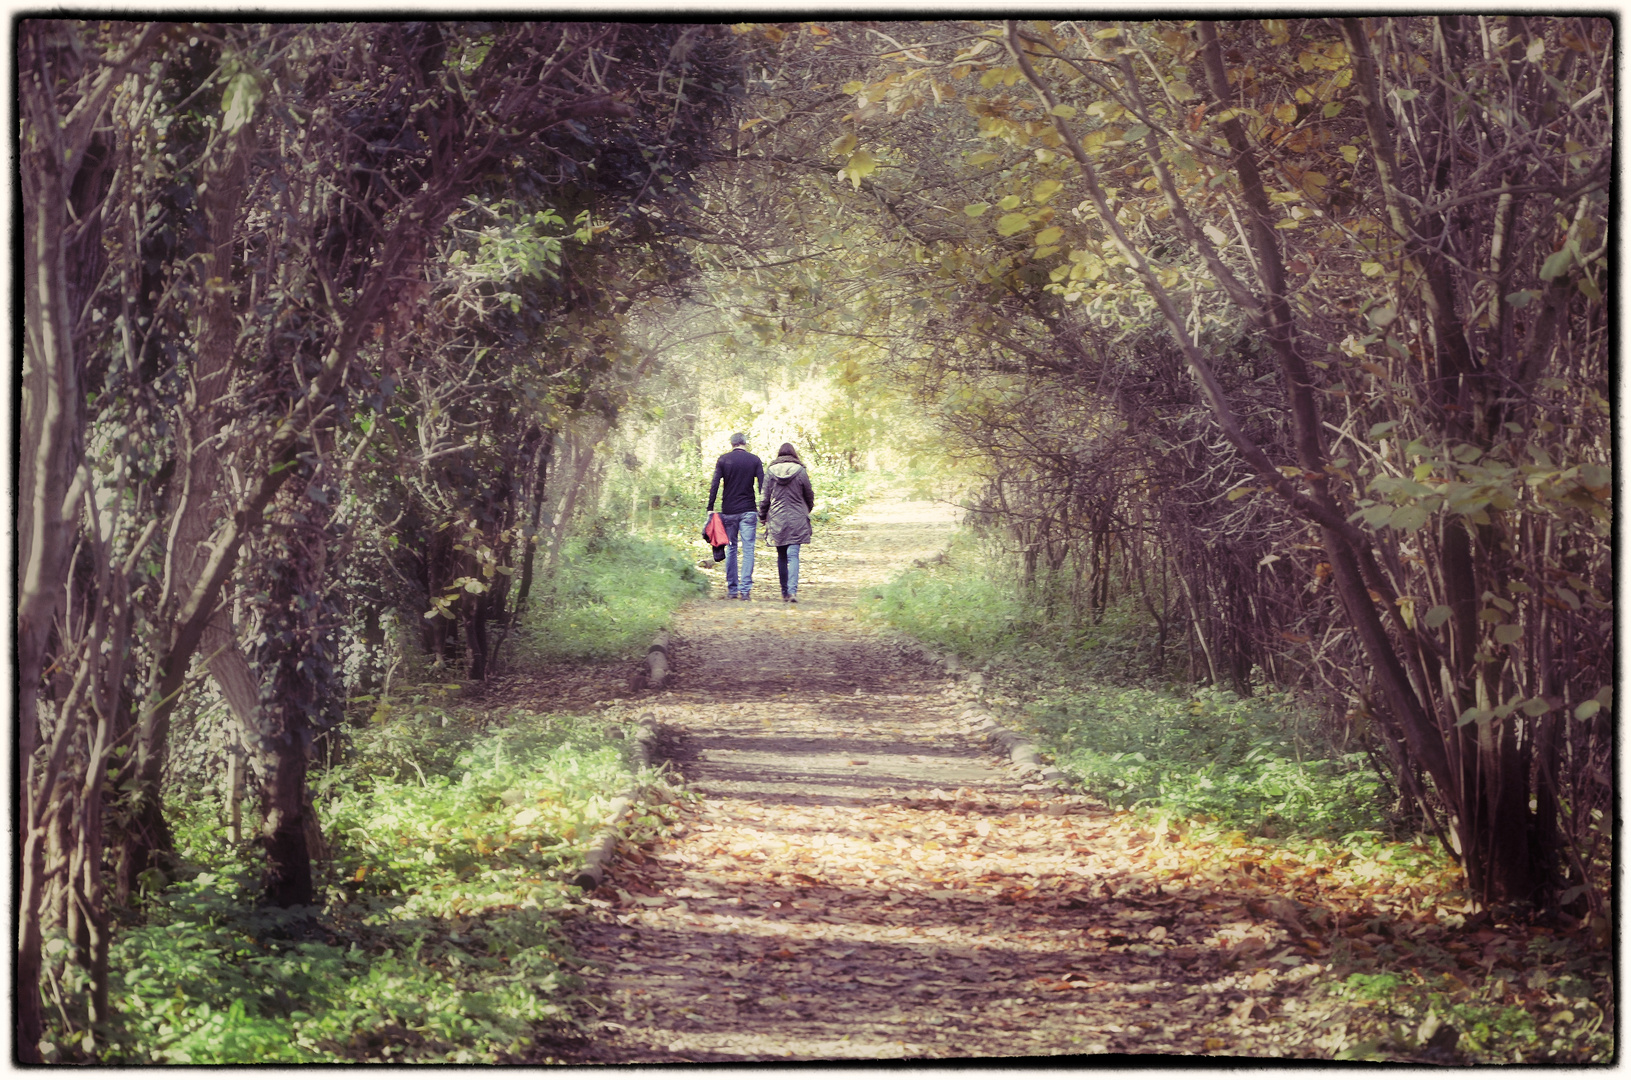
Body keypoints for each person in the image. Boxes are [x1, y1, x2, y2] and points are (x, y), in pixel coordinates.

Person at [706, 432, 764, 600]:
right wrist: (764, 508)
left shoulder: (723, 460)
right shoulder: (754, 460)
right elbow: (763, 485)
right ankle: (745, 590)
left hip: (729, 511)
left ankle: (732, 589)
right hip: (749, 510)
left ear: (732, 444)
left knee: (731, 548)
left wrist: (710, 507)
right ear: (745, 443)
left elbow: (715, 483)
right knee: (748, 549)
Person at [759, 442, 815, 603]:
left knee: (781, 555)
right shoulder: (801, 471)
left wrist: (762, 516)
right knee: (794, 555)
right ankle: (792, 592)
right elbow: (809, 494)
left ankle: (784, 592)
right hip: (797, 517)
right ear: (793, 454)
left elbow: (765, 497)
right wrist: (806, 509)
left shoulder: (770, 471)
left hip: (777, 518)